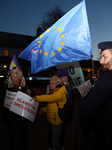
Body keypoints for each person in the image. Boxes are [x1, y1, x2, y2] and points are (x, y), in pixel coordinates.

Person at [80, 41, 112, 150]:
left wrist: (88, 130)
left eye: (104, 57)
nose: (101, 61)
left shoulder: (105, 79)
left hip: (104, 137)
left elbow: (87, 110)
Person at [1, 69, 36, 150]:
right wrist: (4, 113)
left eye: (15, 77)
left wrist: (30, 94)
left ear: (19, 78)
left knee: (23, 134)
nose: (13, 79)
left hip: (21, 116)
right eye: (12, 77)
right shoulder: (8, 86)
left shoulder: (26, 86)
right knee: (10, 134)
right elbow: (2, 100)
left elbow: (34, 98)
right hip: (9, 116)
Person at [31, 76, 67, 150]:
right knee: (54, 139)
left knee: (55, 141)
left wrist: (38, 98)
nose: (50, 85)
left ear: (58, 83)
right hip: (53, 120)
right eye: (50, 83)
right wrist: (43, 110)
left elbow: (51, 98)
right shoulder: (55, 91)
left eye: (52, 83)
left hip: (56, 121)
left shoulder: (60, 92)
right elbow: (52, 105)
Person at [58, 68, 76, 150]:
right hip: (58, 109)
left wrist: (69, 88)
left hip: (65, 110)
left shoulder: (69, 85)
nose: (65, 79)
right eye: (63, 77)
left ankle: (61, 145)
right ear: (60, 78)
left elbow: (73, 97)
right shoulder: (57, 85)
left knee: (63, 129)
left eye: (66, 77)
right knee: (56, 129)